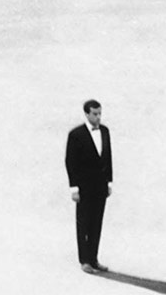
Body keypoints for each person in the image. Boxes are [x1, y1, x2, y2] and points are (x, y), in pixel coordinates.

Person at [65, 99, 113, 275]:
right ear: (86, 114)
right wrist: (74, 188)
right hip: (84, 187)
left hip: (100, 186)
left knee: (97, 222)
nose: (98, 117)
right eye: (95, 114)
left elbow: (108, 158)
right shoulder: (76, 134)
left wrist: (109, 182)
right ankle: (84, 260)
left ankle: (94, 258)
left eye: (100, 113)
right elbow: (70, 162)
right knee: (84, 222)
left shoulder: (105, 131)